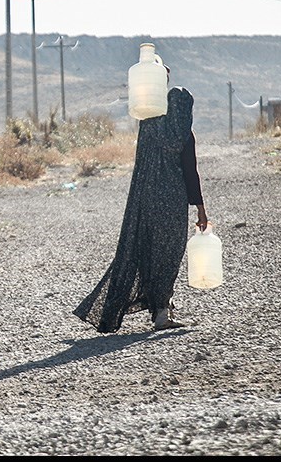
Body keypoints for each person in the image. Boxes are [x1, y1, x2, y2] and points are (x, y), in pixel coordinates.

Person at [73, 64, 208, 333]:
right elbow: (191, 173)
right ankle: (161, 311)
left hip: (145, 199)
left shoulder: (148, 124)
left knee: (143, 251)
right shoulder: (183, 134)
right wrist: (201, 210)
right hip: (172, 203)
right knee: (169, 255)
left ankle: (118, 310)